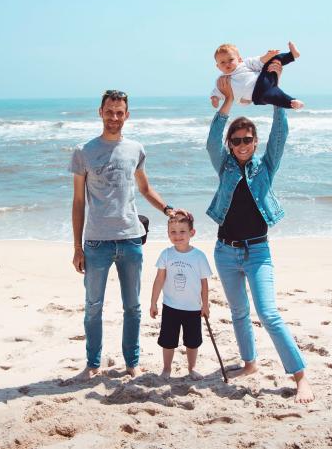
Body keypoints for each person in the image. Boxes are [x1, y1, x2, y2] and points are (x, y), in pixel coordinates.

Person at [205, 65, 314, 403]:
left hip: (257, 252)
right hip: (225, 251)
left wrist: (277, 97)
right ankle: (249, 363)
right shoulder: (223, 165)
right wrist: (226, 102)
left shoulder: (265, 167)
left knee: (268, 314)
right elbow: (211, 142)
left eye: (247, 140)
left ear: (254, 142)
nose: (242, 144)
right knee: (238, 312)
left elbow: (279, 136)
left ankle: (300, 377)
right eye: (236, 140)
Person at [70, 89, 183, 381]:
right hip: (96, 242)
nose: (114, 117)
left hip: (131, 238)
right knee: (93, 306)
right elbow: (79, 202)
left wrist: (168, 209)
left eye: (120, 112)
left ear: (127, 115)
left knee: (132, 306)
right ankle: (92, 364)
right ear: (101, 112)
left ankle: (132, 362)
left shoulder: (135, 149)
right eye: (109, 111)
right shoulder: (84, 151)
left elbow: (145, 189)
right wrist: (77, 247)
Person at [149, 213, 212, 380]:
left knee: (192, 341)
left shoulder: (198, 256)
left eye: (182, 231)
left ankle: (192, 368)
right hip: (170, 306)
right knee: (168, 341)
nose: (177, 236)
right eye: (173, 232)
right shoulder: (166, 254)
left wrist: (205, 305)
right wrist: (153, 302)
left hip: (192, 308)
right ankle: (167, 369)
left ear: (192, 233)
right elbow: (159, 279)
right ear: (168, 233)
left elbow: (204, 284)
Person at [210, 42, 304, 110]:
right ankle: (292, 102)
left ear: (239, 59)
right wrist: (215, 98)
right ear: (218, 66)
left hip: (263, 79)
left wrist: (268, 55)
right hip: (258, 95)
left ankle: (292, 55)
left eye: (231, 59)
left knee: (272, 61)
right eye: (222, 62)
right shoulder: (221, 80)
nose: (227, 64)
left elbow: (260, 61)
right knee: (275, 97)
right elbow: (217, 91)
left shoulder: (245, 63)